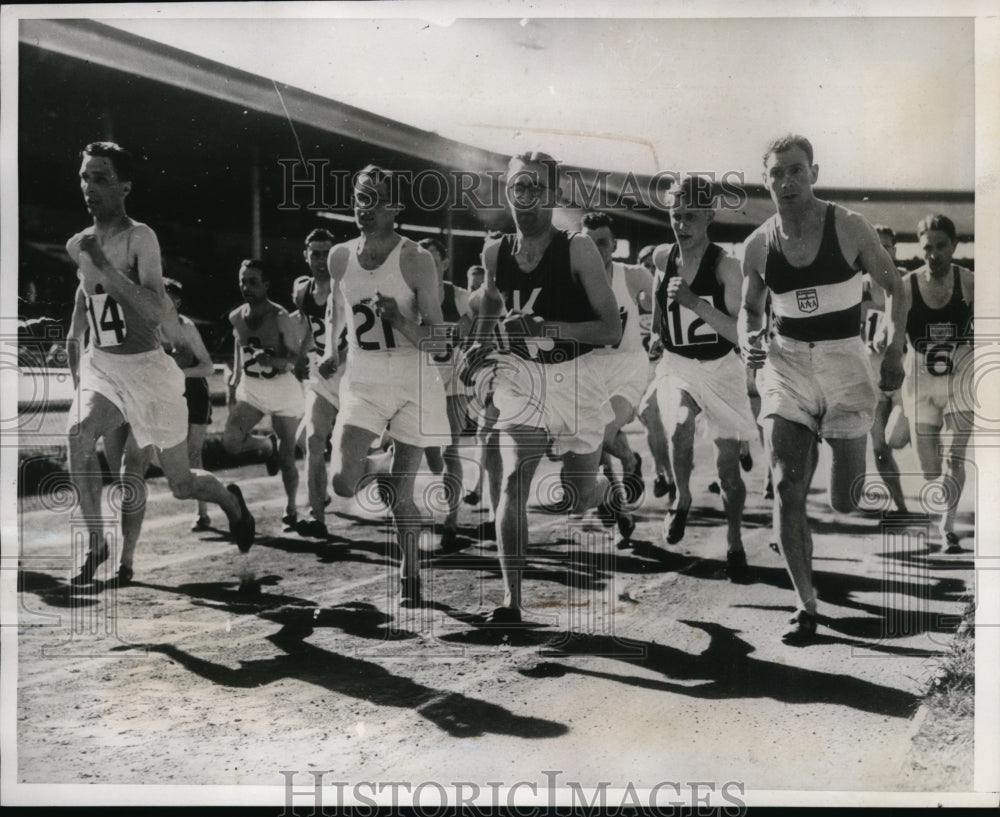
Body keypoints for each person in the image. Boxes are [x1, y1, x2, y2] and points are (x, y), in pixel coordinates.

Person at [739, 134, 908, 644]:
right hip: (786, 363)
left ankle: (828, 487)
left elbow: (895, 286)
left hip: (845, 365)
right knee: (788, 484)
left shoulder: (849, 227)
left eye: (796, 171)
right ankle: (805, 605)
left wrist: (895, 348)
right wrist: (750, 337)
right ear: (766, 180)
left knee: (844, 501)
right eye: (777, 174)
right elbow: (750, 309)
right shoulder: (757, 244)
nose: (787, 182)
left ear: (814, 172)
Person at [65, 141, 254, 586]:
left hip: (148, 372)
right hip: (104, 367)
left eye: (101, 178)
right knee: (78, 433)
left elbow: (156, 310)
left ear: (124, 187)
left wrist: (105, 268)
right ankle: (97, 544)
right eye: (84, 177)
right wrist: (79, 367)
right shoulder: (79, 243)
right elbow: (86, 304)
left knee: (182, 483)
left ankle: (230, 501)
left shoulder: (139, 236)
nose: (89, 186)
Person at [465, 151, 621, 623]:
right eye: (518, 187)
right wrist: (480, 344)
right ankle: (512, 601)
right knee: (512, 479)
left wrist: (546, 328)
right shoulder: (494, 251)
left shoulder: (577, 249)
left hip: (576, 377)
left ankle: (602, 494)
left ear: (553, 195)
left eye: (536, 188)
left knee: (575, 496)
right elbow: (492, 303)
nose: (525, 198)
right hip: (521, 376)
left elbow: (610, 329)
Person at [324, 165, 448, 605]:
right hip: (365, 377)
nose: (365, 208)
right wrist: (330, 349)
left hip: (415, 379)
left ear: (396, 206)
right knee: (341, 482)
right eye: (360, 197)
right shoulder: (339, 256)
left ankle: (409, 573)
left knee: (402, 496)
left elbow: (441, 341)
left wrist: (399, 318)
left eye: (376, 199)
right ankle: (375, 464)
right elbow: (337, 308)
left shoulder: (415, 258)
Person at [650, 177, 757, 580]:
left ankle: (734, 542)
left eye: (690, 216)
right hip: (679, 364)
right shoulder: (662, 257)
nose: (681, 225)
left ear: (709, 216)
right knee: (679, 423)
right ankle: (681, 497)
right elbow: (664, 301)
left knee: (728, 469)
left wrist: (694, 303)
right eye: (675, 215)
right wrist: (656, 333)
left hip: (721, 367)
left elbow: (738, 334)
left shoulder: (726, 266)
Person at [579, 211, 653, 542]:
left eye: (603, 243)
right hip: (591, 367)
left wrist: (660, 332)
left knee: (603, 430)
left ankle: (628, 459)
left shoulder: (633, 275)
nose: (596, 250)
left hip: (628, 366)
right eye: (588, 244)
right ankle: (621, 508)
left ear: (614, 245)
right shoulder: (572, 280)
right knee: (595, 441)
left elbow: (663, 305)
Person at [901, 214, 973, 552]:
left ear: (954, 245)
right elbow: (891, 335)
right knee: (930, 471)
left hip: (961, 374)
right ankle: (897, 422)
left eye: (941, 246)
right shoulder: (906, 286)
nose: (934, 254)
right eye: (928, 247)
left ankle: (948, 527)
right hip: (920, 378)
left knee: (954, 458)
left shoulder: (970, 283)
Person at [223, 259, 304, 531]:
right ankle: (264, 446)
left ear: (266, 284)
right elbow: (239, 349)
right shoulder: (236, 316)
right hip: (252, 387)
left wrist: (273, 360)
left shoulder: (280, 315)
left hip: (282, 387)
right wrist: (233, 383)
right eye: (243, 281)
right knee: (231, 442)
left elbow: (295, 359)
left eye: (253, 281)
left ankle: (291, 508)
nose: (246, 287)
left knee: (287, 456)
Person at [418, 238, 475, 551]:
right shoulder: (410, 297)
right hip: (422, 383)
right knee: (433, 456)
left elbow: (478, 334)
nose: (426, 264)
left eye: (432, 258)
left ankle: (451, 520)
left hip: (455, 381)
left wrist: (472, 357)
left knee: (451, 450)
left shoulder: (459, 296)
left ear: (443, 263)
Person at [290, 228, 344, 539]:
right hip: (322, 376)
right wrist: (301, 354)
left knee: (350, 460)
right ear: (306, 255)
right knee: (311, 441)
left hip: (353, 373)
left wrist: (336, 355)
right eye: (316, 253)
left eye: (327, 253)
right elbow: (311, 327)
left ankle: (376, 468)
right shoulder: (302, 292)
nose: (321, 260)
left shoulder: (347, 286)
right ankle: (318, 517)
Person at [860, 225, 910, 513]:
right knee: (879, 450)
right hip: (873, 377)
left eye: (887, 246)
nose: (881, 252)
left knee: (899, 438)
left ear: (895, 250)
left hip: (906, 376)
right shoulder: (858, 289)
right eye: (875, 247)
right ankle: (902, 508)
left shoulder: (908, 283)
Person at [162, 278, 217, 531]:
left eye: (166, 296)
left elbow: (208, 366)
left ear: (178, 302)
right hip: (166, 396)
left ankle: (203, 512)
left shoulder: (187, 327)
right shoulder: (149, 327)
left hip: (194, 393)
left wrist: (178, 372)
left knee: (194, 454)